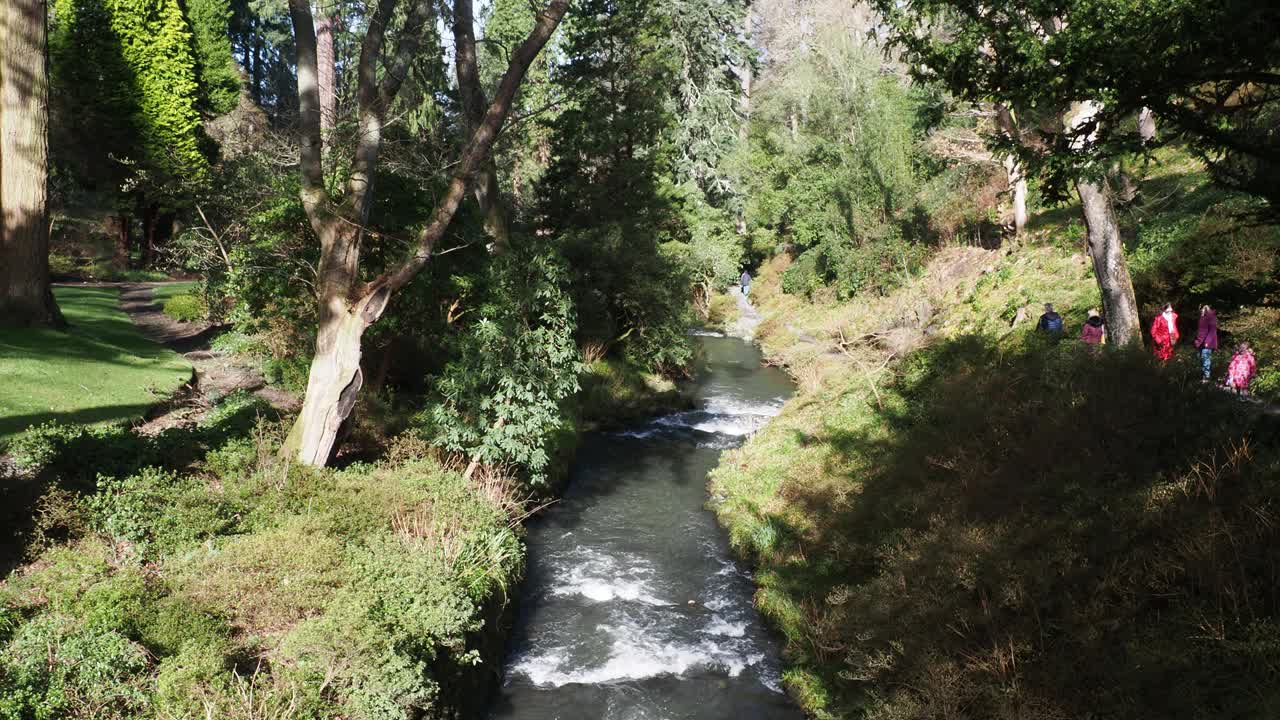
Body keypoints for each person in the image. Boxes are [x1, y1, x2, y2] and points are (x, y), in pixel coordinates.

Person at [1193, 304, 1218, 381]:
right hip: (1201, 342)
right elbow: (1201, 331)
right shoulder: (1202, 317)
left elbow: (1212, 331)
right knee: (1201, 359)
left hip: (1207, 344)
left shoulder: (1211, 317)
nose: (1200, 310)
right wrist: (1197, 341)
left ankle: (1206, 377)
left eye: (1201, 308)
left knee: (1206, 360)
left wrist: (1207, 341)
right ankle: (1203, 376)